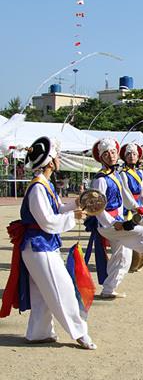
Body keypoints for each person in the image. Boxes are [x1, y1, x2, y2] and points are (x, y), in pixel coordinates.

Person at [0, 137, 96, 349]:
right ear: (50, 161)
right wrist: (75, 217)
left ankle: (38, 332)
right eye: (58, 155)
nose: (60, 159)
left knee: (43, 292)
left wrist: (76, 204)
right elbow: (48, 222)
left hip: (41, 245)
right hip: (38, 246)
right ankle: (79, 333)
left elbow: (57, 209)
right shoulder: (37, 188)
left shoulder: (45, 185)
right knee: (62, 288)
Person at [88, 138, 143, 299]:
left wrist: (138, 208)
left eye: (113, 152)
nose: (111, 156)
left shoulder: (114, 175)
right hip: (108, 224)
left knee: (123, 257)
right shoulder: (100, 179)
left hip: (118, 220)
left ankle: (108, 289)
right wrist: (116, 224)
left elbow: (125, 198)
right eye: (106, 153)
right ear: (101, 157)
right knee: (142, 233)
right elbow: (97, 208)